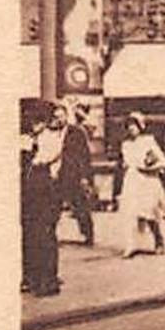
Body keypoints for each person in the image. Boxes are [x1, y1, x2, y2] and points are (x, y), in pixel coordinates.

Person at [119, 111, 165, 259]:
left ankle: (159, 239)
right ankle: (130, 245)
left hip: (148, 181)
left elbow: (163, 162)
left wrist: (148, 167)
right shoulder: (125, 145)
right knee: (130, 214)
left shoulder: (148, 141)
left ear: (140, 126)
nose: (131, 129)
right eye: (128, 126)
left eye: (134, 125)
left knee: (148, 214)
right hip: (132, 181)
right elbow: (125, 163)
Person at [23, 111, 65, 294]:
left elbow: (43, 160)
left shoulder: (50, 139)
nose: (35, 126)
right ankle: (32, 278)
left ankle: (48, 281)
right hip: (31, 192)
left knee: (45, 235)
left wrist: (31, 156)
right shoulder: (29, 138)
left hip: (45, 190)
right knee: (31, 236)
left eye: (37, 122)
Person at [58, 102, 96, 243]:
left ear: (67, 117)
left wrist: (85, 176)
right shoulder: (52, 132)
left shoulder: (77, 132)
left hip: (73, 174)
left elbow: (85, 155)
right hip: (56, 174)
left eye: (61, 117)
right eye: (56, 117)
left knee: (80, 205)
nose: (59, 120)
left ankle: (88, 233)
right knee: (54, 206)